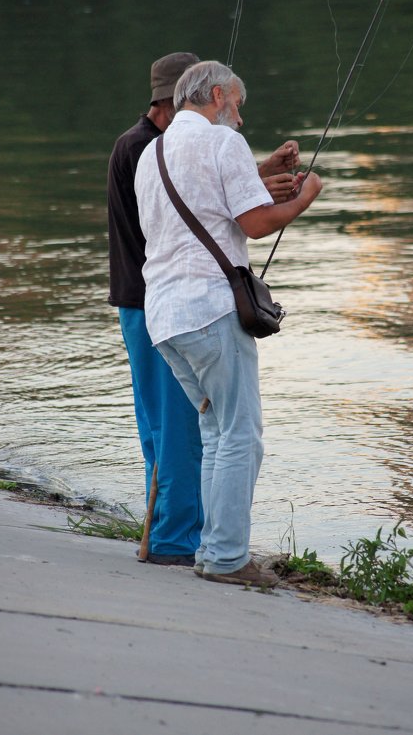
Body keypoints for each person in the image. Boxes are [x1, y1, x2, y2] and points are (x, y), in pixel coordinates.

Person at [108, 52, 301, 567]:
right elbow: (242, 222)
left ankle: (204, 546)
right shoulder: (169, 144)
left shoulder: (155, 150)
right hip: (185, 306)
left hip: (163, 311)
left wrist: (254, 176)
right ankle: (204, 550)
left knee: (207, 434)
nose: (237, 118)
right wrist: (304, 196)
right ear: (212, 96)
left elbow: (196, 205)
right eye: (234, 105)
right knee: (214, 435)